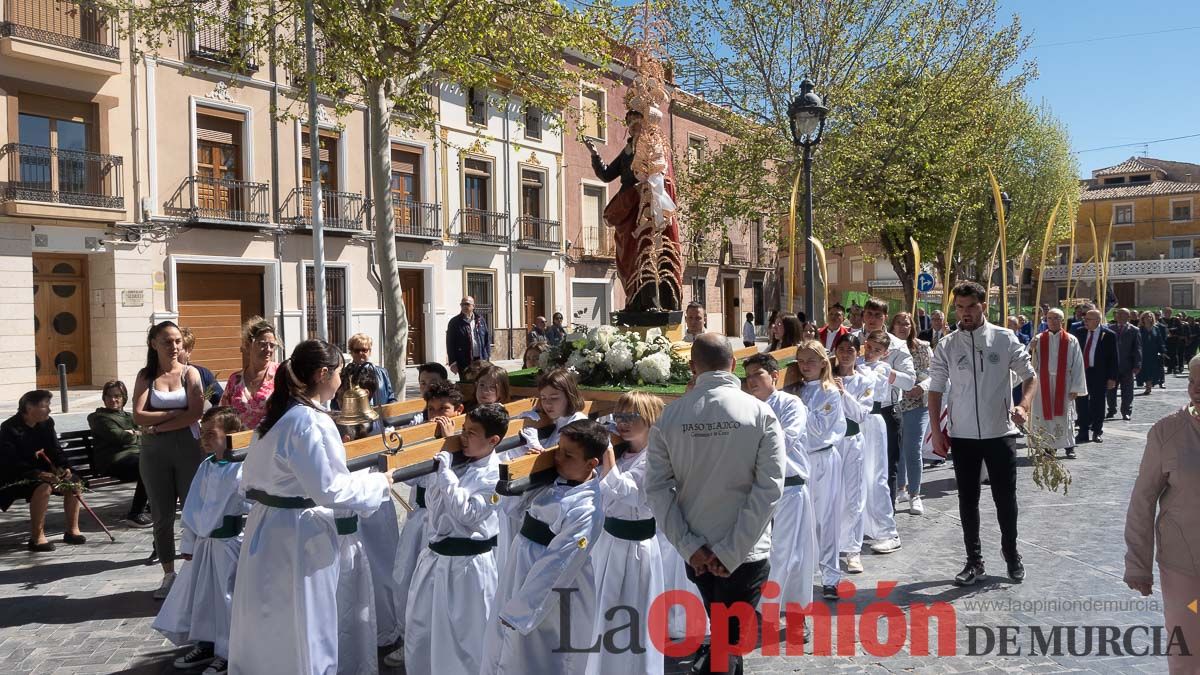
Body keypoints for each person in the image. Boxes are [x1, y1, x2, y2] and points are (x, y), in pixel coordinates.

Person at [229, 339, 393, 674]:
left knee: (271, 621)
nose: (342, 380)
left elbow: (245, 480)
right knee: (306, 623)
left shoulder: (276, 418)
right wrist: (379, 483)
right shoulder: (309, 421)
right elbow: (330, 489)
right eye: (338, 372)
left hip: (267, 529)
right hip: (299, 536)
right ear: (322, 374)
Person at [645, 333, 785, 675]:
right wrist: (732, 550)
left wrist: (690, 546)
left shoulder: (670, 417)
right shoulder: (760, 413)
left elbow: (658, 489)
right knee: (727, 641)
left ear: (693, 368)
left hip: (701, 551)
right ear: (734, 365)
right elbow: (769, 488)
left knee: (726, 639)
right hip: (745, 551)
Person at [929, 280, 1037, 587]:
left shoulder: (1003, 339)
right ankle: (974, 560)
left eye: (970, 307)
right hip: (962, 435)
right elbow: (935, 390)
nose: (964, 313)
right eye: (959, 307)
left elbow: (1030, 376)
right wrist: (937, 431)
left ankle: (1012, 553)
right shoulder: (947, 345)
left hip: (999, 432)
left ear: (982, 307)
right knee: (968, 499)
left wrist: (1024, 406)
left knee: (1005, 498)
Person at [481, 420, 608, 675]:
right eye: (558, 450)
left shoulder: (587, 508)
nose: (558, 458)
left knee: (538, 653)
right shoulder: (554, 479)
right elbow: (514, 511)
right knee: (504, 647)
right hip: (521, 567)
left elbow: (560, 564)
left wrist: (521, 610)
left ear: (591, 463)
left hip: (549, 590)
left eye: (568, 455)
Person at [404, 403, 506, 675]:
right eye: (463, 429)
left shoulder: (495, 474)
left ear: (493, 440)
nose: (463, 436)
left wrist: (446, 473)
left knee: (465, 643)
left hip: (468, 568)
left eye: (472, 433)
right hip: (435, 558)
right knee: (422, 633)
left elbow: (469, 514)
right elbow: (435, 502)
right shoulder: (460, 458)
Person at [153, 406, 247, 675]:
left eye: (211, 433)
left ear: (231, 435)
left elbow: (250, 504)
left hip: (231, 545)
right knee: (203, 597)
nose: (204, 438)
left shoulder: (242, 467)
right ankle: (207, 642)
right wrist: (189, 544)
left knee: (227, 598)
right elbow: (193, 507)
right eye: (202, 433)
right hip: (206, 546)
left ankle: (228, 651)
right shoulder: (206, 467)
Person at [1123, 356, 1200, 675]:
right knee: (1189, 654)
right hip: (1185, 564)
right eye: (1193, 382)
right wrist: (1138, 564)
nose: (1196, 390)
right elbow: (1143, 500)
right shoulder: (1167, 432)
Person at [585, 392, 666, 675]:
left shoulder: (655, 457)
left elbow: (628, 493)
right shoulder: (622, 452)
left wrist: (607, 453)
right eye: (619, 417)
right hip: (608, 542)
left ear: (650, 419)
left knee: (633, 613)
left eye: (631, 417)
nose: (623, 423)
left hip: (636, 547)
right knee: (605, 612)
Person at [133, 321, 206, 599]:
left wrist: (160, 423)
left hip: (188, 448)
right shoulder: (146, 375)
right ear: (153, 344)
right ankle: (168, 574)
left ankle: (194, 570)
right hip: (154, 453)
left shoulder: (191, 373)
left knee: (191, 512)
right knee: (162, 516)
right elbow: (138, 416)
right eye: (167, 341)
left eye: (177, 341)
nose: (174, 347)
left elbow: (196, 412)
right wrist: (177, 413)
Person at [586, 107, 684, 312]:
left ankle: (653, 303)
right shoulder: (628, 150)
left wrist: (648, 189)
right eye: (629, 122)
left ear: (646, 123)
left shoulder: (655, 146)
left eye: (637, 121)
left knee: (648, 252)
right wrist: (595, 154)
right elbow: (607, 175)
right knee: (628, 255)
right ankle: (635, 300)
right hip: (628, 206)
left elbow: (663, 177)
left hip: (647, 206)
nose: (632, 126)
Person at [743, 354, 814, 622]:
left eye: (757, 374)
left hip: (790, 487)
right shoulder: (746, 407)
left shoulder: (790, 404)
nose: (752, 381)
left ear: (774, 376)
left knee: (792, 552)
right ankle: (762, 606)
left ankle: (795, 612)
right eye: (748, 376)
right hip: (757, 491)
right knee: (760, 552)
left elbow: (785, 439)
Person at [792, 341, 847, 601]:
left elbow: (818, 428)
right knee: (805, 520)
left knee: (827, 519)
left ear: (824, 363)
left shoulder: (830, 392)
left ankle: (830, 576)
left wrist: (796, 407)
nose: (805, 366)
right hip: (802, 460)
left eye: (811, 361)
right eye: (801, 361)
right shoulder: (797, 389)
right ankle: (803, 575)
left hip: (824, 459)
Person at [853, 297, 917, 508]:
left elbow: (909, 381)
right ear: (863, 315)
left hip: (886, 412)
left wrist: (885, 372)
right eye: (869, 314)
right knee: (858, 465)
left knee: (887, 466)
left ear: (885, 318)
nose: (872, 319)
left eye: (877, 315)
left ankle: (886, 516)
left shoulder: (897, 345)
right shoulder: (851, 340)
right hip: (855, 413)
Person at [0, 390, 83, 552]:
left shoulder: (46, 423)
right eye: (46, 406)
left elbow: (56, 449)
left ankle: (72, 530)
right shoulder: (10, 428)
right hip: (17, 476)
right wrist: (38, 474)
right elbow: (11, 461)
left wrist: (64, 467)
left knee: (74, 482)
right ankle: (37, 537)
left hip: (46, 474)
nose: (50, 410)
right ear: (30, 408)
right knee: (43, 488)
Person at [856, 331, 903, 555]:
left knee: (877, 476)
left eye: (877, 350)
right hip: (856, 421)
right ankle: (866, 525)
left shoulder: (882, 369)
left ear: (885, 353)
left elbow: (870, 386)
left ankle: (888, 531)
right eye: (869, 347)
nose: (871, 353)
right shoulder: (856, 362)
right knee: (859, 476)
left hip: (874, 420)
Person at [832, 334, 873, 574]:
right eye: (842, 349)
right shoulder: (826, 377)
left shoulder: (864, 381)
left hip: (853, 442)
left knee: (854, 495)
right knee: (829, 495)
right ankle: (830, 545)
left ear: (858, 353)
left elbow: (860, 414)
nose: (845, 353)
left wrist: (843, 393)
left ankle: (853, 551)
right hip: (830, 444)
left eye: (850, 349)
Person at [87, 381, 151, 527]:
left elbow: (146, 434)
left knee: (163, 462)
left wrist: (135, 433)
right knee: (148, 466)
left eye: (117, 396)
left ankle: (156, 504)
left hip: (135, 456)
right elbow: (119, 437)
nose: (113, 400)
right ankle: (135, 513)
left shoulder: (130, 416)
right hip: (114, 461)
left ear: (124, 398)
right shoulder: (98, 418)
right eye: (109, 396)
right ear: (104, 398)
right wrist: (138, 433)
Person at [1028, 309, 1087, 460]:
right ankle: (1047, 447)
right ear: (1046, 320)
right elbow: (1029, 362)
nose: (1053, 321)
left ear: (1062, 320)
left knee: (1065, 415)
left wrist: (1076, 387)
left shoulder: (1071, 339)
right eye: (1049, 318)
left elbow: (1078, 364)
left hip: (1064, 382)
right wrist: (1030, 348)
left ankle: (1069, 446)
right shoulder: (1039, 338)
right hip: (1043, 383)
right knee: (1044, 415)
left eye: (1056, 318)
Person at [890, 312, 931, 515]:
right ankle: (900, 489)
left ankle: (915, 495)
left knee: (913, 448)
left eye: (906, 324)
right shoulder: (887, 347)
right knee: (898, 449)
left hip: (917, 403)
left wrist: (922, 387)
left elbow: (934, 373)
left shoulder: (922, 347)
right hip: (894, 405)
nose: (902, 327)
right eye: (898, 324)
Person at [218, 317, 279, 430]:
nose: (268, 349)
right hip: (241, 443)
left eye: (272, 345)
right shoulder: (235, 379)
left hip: (272, 442)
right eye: (263, 344)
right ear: (249, 344)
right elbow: (223, 415)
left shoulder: (281, 374)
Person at [1071, 309, 1118, 444]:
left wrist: (1112, 378)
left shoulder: (1108, 335)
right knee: (1081, 403)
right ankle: (1083, 431)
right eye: (1085, 319)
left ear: (1098, 320)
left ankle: (1097, 431)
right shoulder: (1079, 332)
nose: (1085, 321)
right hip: (1082, 373)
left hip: (1099, 373)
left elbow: (1114, 358)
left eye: (1088, 319)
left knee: (1098, 403)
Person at [1107, 308, 1142, 421]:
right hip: (1112, 366)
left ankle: (1126, 411)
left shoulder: (1134, 330)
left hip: (1127, 366)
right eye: (1119, 314)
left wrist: (1137, 364)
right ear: (1116, 316)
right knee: (1111, 389)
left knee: (1127, 391)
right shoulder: (1109, 328)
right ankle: (1111, 409)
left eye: (1124, 315)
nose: (1121, 316)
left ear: (1129, 317)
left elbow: (1138, 348)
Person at [346, 333, 397, 406]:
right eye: (357, 350)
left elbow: (390, 397)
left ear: (369, 352)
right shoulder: (345, 373)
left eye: (364, 350)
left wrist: (391, 408)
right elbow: (336, 402)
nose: (360, 353)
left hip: (380, 415)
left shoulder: (382, 372)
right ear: (351, 352)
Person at [446, 296, 492, 376]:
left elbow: (486, 339)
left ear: (473, 306)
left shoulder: (480, 320)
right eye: (462, 304)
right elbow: (450, 343)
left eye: (467, 304)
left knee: (480, 382)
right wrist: (453, 362)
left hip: (480, 359)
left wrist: (488, 356)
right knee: (466, 385)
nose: (464, 306)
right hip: (464, 361)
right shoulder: (454, 322)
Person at [180, 328, 224, 407]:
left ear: (189, 351)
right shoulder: (159, 374)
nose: (173, 350)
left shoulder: (203, 374)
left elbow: (221, 401)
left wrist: (208, 417)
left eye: (179, 348)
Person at [1136, 310, 1166, 393]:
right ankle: (1148, 386)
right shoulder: (1139, 329)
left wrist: (1163, 350)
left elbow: (1160, 341)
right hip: (1143, 353)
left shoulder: (1156, 329)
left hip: (1153, 353)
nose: (1148, 318)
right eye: (1146, 317)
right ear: (1143, 319)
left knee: (1152, 370)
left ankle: (1149, 386)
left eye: (1150, 317)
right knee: (1144, 370)